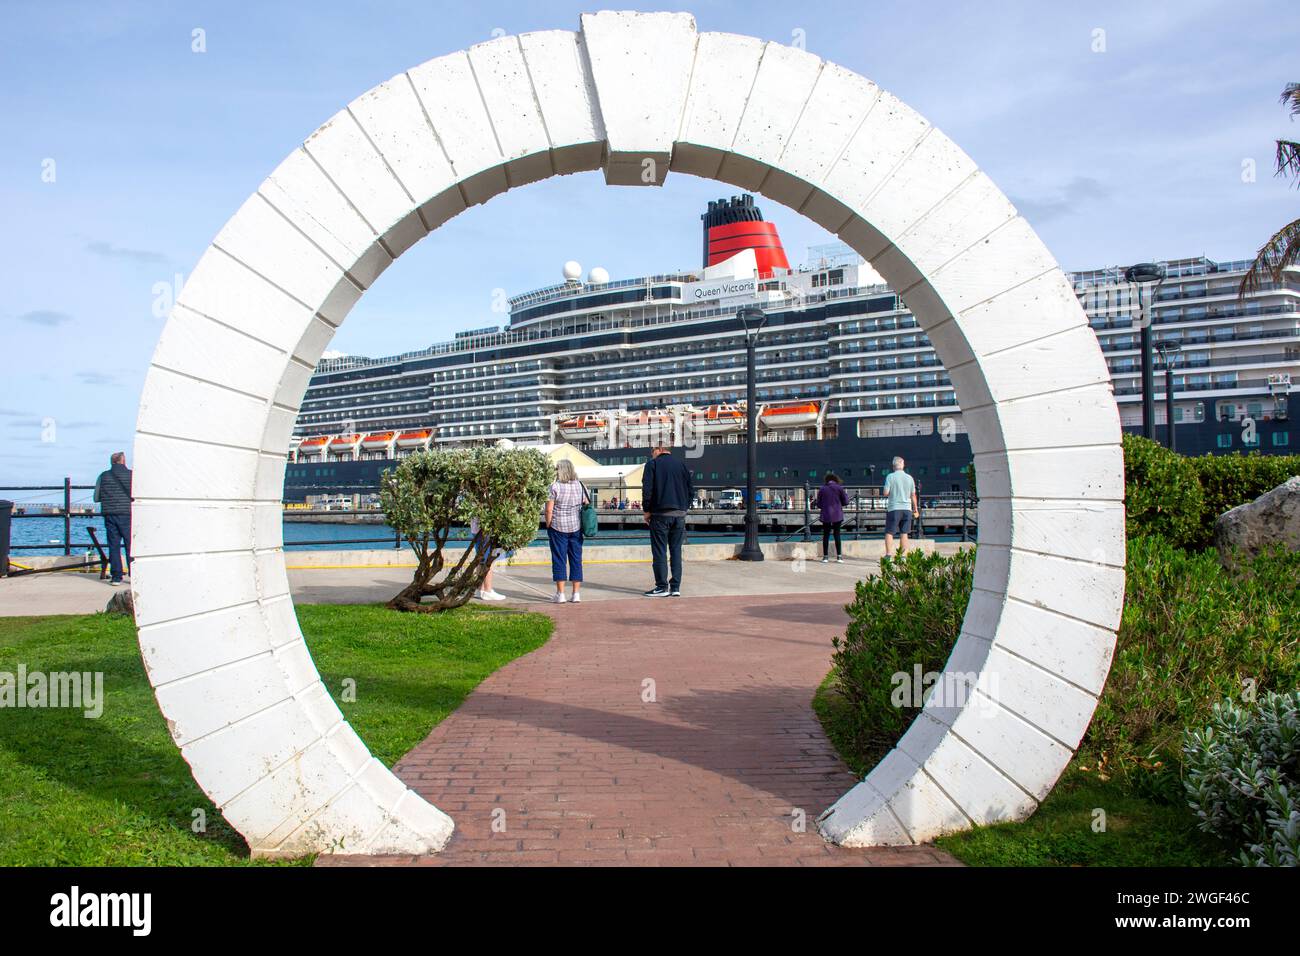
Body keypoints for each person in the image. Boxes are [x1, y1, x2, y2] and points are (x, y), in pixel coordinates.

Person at [642, 445, 693, 597]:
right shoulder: (681, 465)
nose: (652, 456)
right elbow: (691, 490)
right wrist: (685, 507)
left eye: (652, 453)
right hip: (679, 515)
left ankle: (661, 587)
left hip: (660, 514)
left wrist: (646, 510)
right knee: (676, 550)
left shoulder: (653, 464)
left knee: (659, 551)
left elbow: (647, 489)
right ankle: (675, 587)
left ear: (658, 450)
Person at [545, 459, 588, 604]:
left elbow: (549, 509)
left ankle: (560, 594)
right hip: (576, 527)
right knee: (576, 559)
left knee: (559, 559)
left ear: (559, 470)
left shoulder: (554, 487)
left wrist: (549, 524)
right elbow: (586, 504)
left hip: (558, 527)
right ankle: (576, 594)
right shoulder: (581, 485)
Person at [93, 452, 133, 586]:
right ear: (123, 461)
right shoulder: (132, 475)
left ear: (112, 462)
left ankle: (116, 576)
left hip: (110, 514)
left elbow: (96, 497)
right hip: (127, 513)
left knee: (114, 545)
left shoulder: (103, 476)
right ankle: (134, 575)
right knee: (130, 545)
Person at [882, 456, 920, 558]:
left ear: (893, 466)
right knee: (904, 533)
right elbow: (913, 495)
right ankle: (903, 557)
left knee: (889, 532)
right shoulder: (910, 478)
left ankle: (888, 555)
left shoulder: (890, 477)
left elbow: (885, 493)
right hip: (907, 509)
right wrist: (915, 508)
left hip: (894, 508)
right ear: (903, 465)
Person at [468, 514, 507, 601]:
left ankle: (480, 589)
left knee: (481, 559)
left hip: (477, 528)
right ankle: (487, 590)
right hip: (484, 529)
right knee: (488, 560)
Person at [814, 472, 850, 563]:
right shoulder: (839, 488)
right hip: (837, 514)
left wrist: (825, 506)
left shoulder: (822, 489)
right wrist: (839, 504)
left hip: (826, 514)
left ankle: (825, 557)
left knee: (826, 535)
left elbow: (818, 504)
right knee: (837, 534)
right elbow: (846, 502)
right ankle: (839, 557)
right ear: (835, 479)